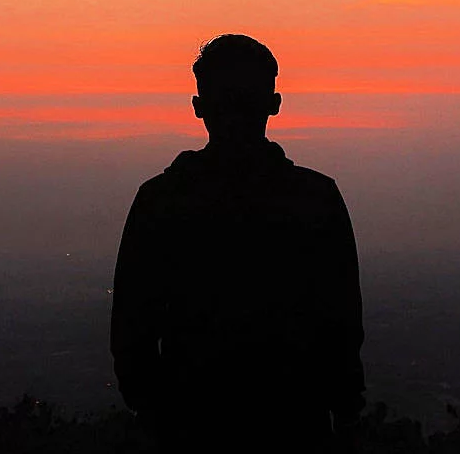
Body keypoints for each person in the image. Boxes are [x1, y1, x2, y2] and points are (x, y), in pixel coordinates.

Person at [111, 34, 366, 453]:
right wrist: (345, 412)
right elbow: (341, 325)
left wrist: (155, 412)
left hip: (193, 424)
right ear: (275, 103)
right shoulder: (315, 199)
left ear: (198, 107)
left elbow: (131, 330)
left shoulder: (163, 200)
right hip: (293, 423)